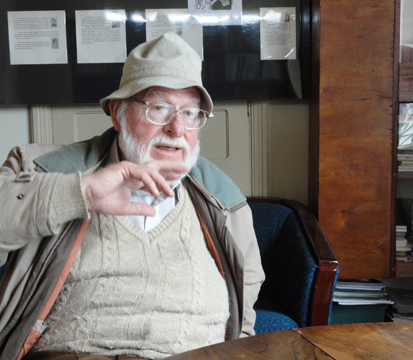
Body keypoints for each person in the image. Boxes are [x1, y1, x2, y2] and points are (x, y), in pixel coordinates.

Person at [0, 32, 264, 360]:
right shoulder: (41, 168)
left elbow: (244, 309)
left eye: (190, 113)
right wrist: (79, 193)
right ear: (117, 112)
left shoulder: (224, 201)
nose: (177, 129)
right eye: (159, 108)